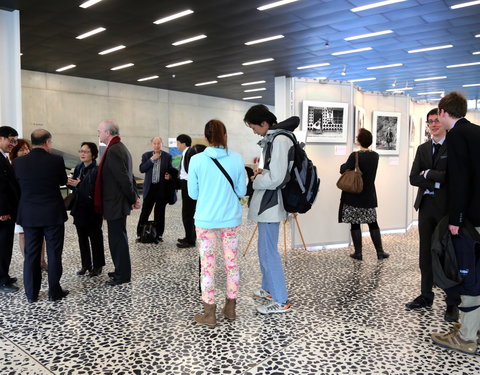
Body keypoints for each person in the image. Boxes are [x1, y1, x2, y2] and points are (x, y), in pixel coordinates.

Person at [431, 91, 480, 354]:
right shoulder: (476, 132)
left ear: (443, 112)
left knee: (469, 277)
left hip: (470, 221)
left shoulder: (459, 135)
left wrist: (456, 218)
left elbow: (461, 180)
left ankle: (467, 338)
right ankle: (469, 328)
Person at [188, 119, 246, 327]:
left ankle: (209, 314)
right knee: (232, 264)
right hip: (230, 219)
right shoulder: (237, 159)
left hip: (205, 220)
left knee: (208, 267)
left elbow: (192, 193)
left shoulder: (196, 160)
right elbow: (241, 191)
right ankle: (230, 308)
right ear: (225, 135)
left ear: (206, 137)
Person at [244, 104, 299, 314]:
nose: (254, 131)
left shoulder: (280, 139)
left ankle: (280, 298)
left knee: (269, 252)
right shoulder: (276, 138)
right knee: (264, 250)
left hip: (271, 203)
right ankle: (269, 290)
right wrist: (263, 172)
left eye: (254, 127)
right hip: (269, 202)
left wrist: (256, 179)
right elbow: (275, 172)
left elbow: (277, 178)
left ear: (264, 123)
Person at [406, 109, 460, 322]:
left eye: (437, 121)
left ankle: (452, 303)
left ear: (443, 122)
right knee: (425, 253)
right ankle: (426, 295)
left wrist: (428, 175)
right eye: (430, 122)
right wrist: (437, 181)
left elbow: (453, 177)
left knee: (448, 255)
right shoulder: (422, 149)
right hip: (426, 207)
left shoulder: (453, 147)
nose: (434, 125)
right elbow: (412, 178)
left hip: (446, 209)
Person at [14, 129, 68, 302]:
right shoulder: (56, 160)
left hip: (29, 214)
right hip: (52, 214)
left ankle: (31, 294)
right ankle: (54, 292)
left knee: (31, 254)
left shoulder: (18, 162)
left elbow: (17, 186)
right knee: (53, 253)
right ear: (47, 142)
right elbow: (62, 182)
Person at [95, 120, 140, 286]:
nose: (98, 134)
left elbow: (123, 179)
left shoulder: (114, 150)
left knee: (117, 240)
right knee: (118, 238)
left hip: (115, 203)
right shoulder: (120, 147)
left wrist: (133, 198)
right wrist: (134, 196)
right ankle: (120, 270)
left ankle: (122, 275)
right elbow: (129, 176)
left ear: (107, 133)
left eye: (99, 131)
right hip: (117, 202)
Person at [339, 128, 389, 261]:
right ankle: (380, 252)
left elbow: (343, 170)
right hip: (369, 196)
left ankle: (358, 253)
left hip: (354, 196)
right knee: (373, 223)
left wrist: (344, 165)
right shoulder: (375, 156)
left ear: (359, 141)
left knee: (355, 224)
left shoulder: (355, 155)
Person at [9, 139, 48, 272]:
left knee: (40, 233)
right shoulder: (13, 166)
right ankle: (30, 261)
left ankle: (42, 260)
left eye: (27, 148)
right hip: (20, 206)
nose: (25, 151)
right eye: (21, 149)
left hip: (36, 205)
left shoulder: (34, 163)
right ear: (14, 153)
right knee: (23, 234)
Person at [68, 142, 105, 277]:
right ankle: (86, 264)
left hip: (92, 208)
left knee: (95, 237)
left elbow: (95, 190)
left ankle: (98, 265)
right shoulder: (78, 167)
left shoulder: (96, 170)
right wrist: (71, 184)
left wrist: (79, 184)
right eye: (81, 151)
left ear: (93, 155)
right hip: (79, 207)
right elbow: (75, 187)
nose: (82, 154)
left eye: (86, 151)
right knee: (81, 237)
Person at [136, 137, 173, 242]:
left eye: (159, 143)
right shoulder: (146, 155)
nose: (157, 145)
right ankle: (140, 233)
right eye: (155, 143)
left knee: (160, 213)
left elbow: (171, 170)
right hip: (150, 188)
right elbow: (142, 169)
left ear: (162, 144)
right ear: (152, 144)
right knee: (145, 211)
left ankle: (159, 234)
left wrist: (170, 176)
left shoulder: (167, 156)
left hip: (162, 188)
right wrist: (152, 159)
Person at [0, 126, 20, 293]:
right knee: (2, 245)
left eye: (15, 141)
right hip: (3, 212)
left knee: (5, 245)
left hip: (7, 210)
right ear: (1, 138)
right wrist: (2, 211)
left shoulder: (3, 157)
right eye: (11, 140)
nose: (13, 144)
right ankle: (2, 280)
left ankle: (4, 274)